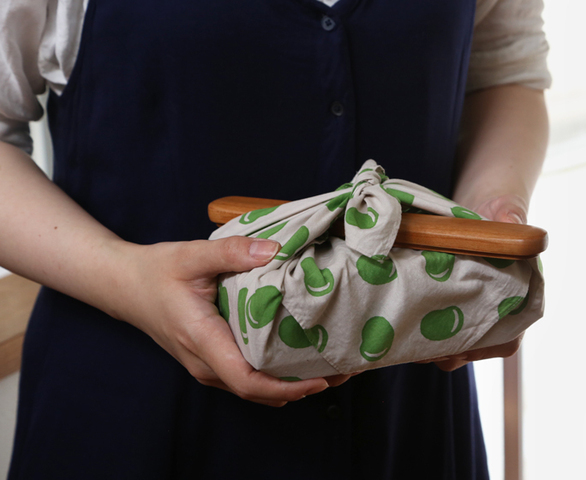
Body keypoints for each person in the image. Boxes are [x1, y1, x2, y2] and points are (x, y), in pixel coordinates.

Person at [0, 0, 550, 478]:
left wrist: (489, 214)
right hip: (130, 415)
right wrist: (128, 279)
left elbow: (505, 69)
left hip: (409, 405)